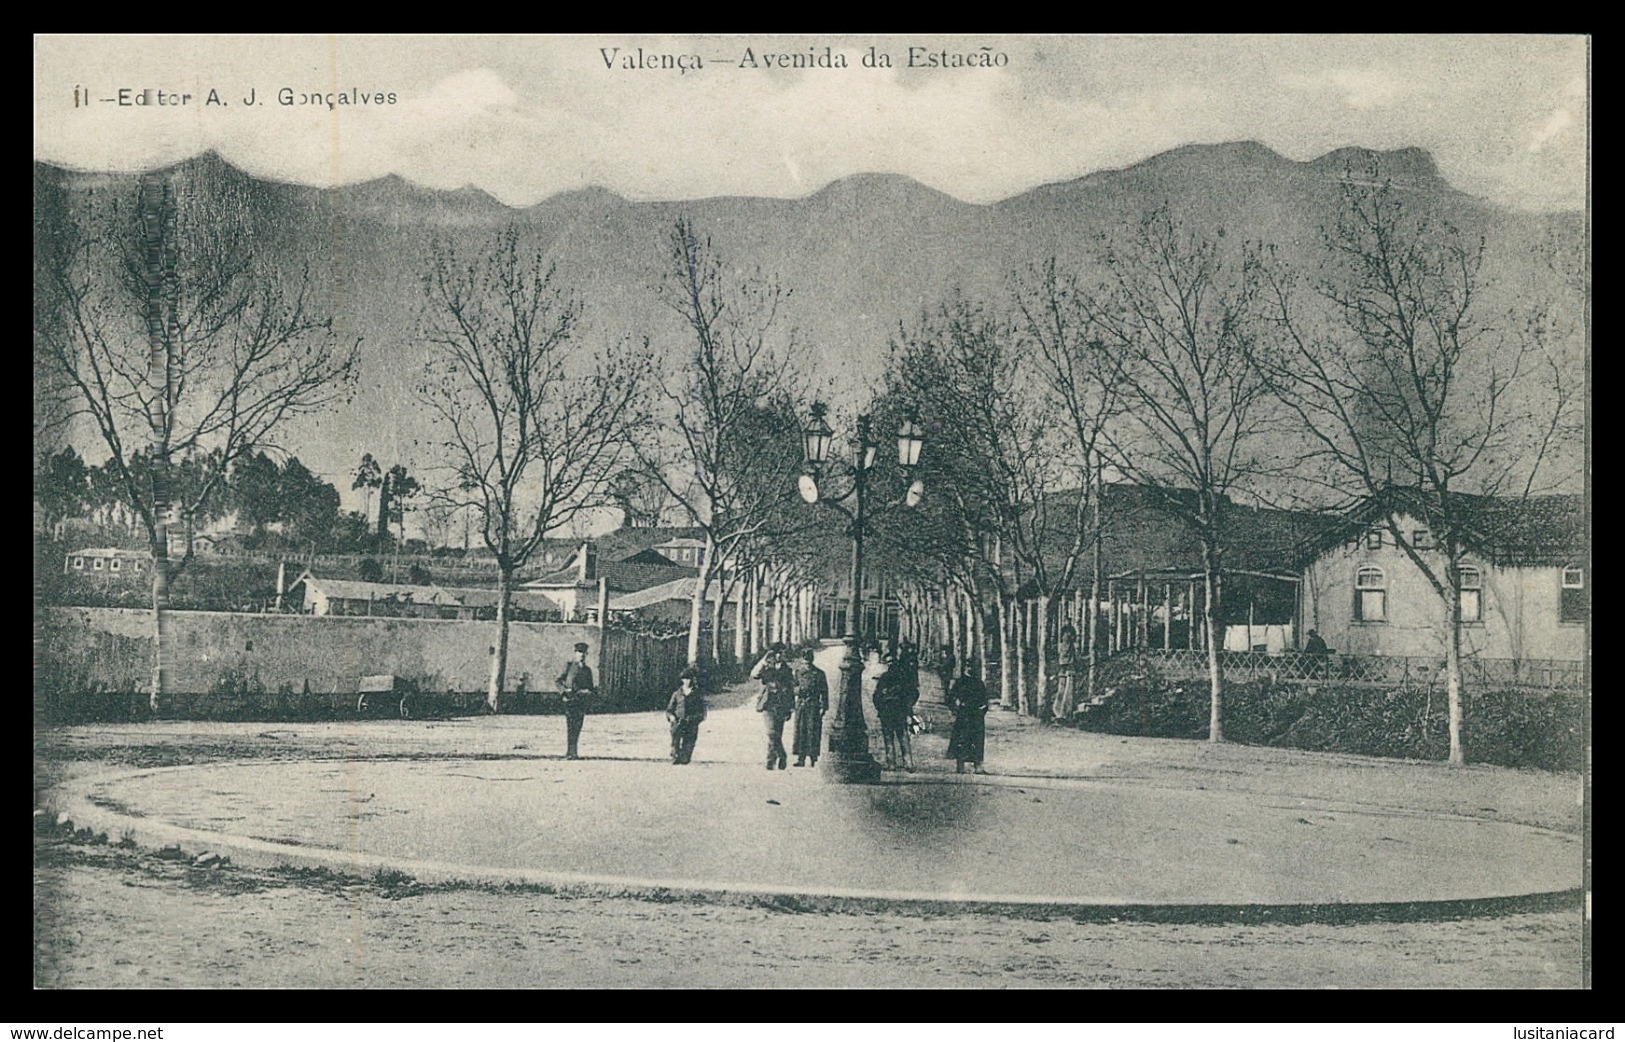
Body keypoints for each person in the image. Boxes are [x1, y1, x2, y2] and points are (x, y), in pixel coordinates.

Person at [751, 643, 796, 770]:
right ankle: (782, 755)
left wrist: (791, 708)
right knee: (771, 732)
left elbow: (791, 689)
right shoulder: (765, 667)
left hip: (782, 704)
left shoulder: (786, 669)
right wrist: (764, 660)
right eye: (778, 653)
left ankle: (771, 761)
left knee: (777, 734)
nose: (780, 655)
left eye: (782, 653)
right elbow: (754, 674)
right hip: (768, 703)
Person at [872, 648, 917, 771]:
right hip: (890, 711)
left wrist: (908, 706)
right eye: (889, 663)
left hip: (895, 711)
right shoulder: (890, 677)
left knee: (898, 736)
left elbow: (913, 693)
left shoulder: (896, 678)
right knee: (894, 737)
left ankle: (902, 763)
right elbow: (876, 695)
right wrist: (880, 707)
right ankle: (898, 763)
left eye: (892, 663)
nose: (891, 665)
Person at [946, 658, 990, 774]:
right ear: (965, 667)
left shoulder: (979, 682)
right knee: (962, 739)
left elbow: (985, 699)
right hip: (964, 715)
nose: (971, 668)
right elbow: (951, 698)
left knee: (977, 741)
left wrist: (983, 709)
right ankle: (960, 766)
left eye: (973, 666)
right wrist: (955, 708)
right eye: (968, 666)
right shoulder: (960, 682)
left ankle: (978, 766)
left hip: (976, 716)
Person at [556, 641, 596, 760]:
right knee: (570, 726)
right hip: (570, 700)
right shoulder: (569, 666)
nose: (581, 655)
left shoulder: (587, 670)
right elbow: (558, 681)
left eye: (583, 653)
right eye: (579, 652)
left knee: (578, 726)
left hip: (581, 702)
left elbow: (590, 687)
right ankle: (570, 752)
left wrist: (588, 692)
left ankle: (574, 752)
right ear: (575, 653)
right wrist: (564, 691)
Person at [790, 648, 830, 767]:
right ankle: (801, 757)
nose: (806, 662)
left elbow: (824, 691)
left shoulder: (819, 673)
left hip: (814, 704)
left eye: (808, 659)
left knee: (813, 730)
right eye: (805, 660)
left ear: (812, 659)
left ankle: (813, 757)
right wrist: (798, 691)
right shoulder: (797, 672)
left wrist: (824, 706)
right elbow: (793, 688)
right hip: (801, 704)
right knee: (801, 730)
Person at [665, 666, 707, 765]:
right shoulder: (677, 694)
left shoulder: (697, 694)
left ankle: (685, 756)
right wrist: (671, 716)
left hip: (691, 722)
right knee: (675, 740)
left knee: (689, 743)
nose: (687, 681)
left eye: (689, 679)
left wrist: (695, 719)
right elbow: (669, 710)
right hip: (678, 721)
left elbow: (702, 712)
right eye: (685, 679)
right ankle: (675, 755)